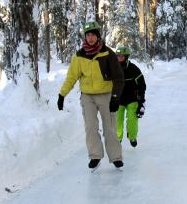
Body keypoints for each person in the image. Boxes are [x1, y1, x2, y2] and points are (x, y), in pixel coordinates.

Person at [57, 21, 125, 169]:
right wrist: (62, 95)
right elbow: (71, 77)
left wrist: (115, 97)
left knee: (110, 128)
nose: (91, 38)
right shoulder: (79, 56)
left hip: (106, 95)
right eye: (88, 35)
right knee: (90, 127)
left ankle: (115, 157)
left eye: (93, 34)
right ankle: (95, 156)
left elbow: (119, 78)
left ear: (98, 36)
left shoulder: (108, 53)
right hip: (87, 97)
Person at [114, 46, 146, 147]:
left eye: (121, 56)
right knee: (117, 121)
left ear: (126, 57)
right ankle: (117, 139)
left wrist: (141, 101)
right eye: (117, 56)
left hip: (132, 99)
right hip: (118, 100)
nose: (119, 58)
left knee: (132, 120)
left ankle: (132, 136)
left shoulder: (133, 69)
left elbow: (142, 85)